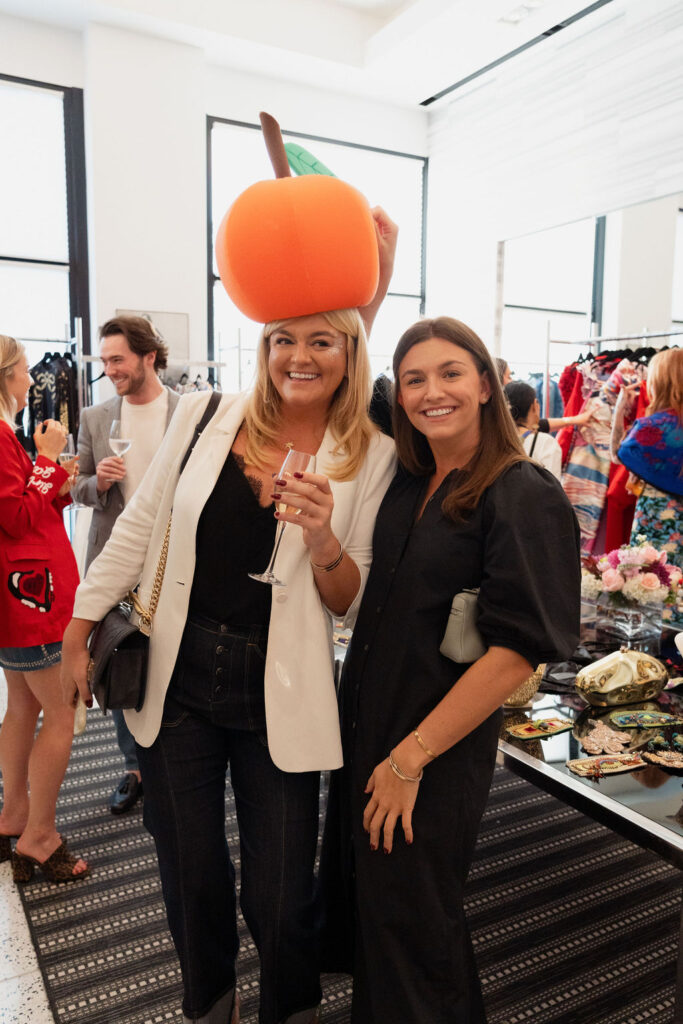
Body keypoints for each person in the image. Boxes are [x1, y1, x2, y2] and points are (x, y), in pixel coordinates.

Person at [60, 205, 398, 1024]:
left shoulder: (371, 455)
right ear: (264, 347)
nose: (299, 355)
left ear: (349, 350)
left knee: (281, 894)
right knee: (191, 872)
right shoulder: (205, 414)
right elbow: (139, 527)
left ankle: (287, 1005)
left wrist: (321, 535)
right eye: (284, 338)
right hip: (176, 677)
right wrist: (78, 626)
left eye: (322, 339)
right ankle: (209, 1005)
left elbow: (352, 600)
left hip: (279, 688)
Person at [321, 316, 580, 1023]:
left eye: (450, 373)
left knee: (412, 924)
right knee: (384, 915)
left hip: (431, 743)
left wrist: (410, 759)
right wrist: (370, 286)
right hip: (372, 724)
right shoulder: (413, 478)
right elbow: (349, 371)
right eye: (414, 380)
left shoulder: (520, 491)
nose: (431, 392)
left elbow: (514, 652)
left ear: (489, 384)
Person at [71, 315, 180, 815]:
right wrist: (101, 483)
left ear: (148, 357)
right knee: (118, 657)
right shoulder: (96, 418)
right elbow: (77, 488)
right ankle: (134, 766)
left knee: (175, 657)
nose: (110, 369)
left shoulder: (187, 413)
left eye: (118, 360)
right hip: (116, 557)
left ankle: (175, 759)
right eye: (106, 361)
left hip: (177, 558)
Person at [0, 335, 88, 884]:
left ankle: (13, 812)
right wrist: (49, 460)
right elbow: (13, 516)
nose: (31, 381)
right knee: (60, 713)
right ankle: (39, 834)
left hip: (17, 593)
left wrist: (55, 477)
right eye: (24, 372)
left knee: (22, 707)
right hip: (32, 594)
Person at [613, 347, 683, 624]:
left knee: (656, 577)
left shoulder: (652, 427)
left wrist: (621, 408)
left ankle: (662, 647)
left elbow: (620, 452)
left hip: (657, 511)